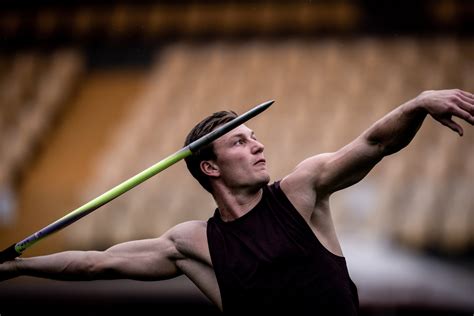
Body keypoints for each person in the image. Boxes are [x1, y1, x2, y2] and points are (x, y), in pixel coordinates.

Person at [1, 89, 473, 314]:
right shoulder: (193, 244)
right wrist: (18, 269)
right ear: (210, 167)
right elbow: (92, 264)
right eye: (240, 143)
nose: (258, 146)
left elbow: (374, 144)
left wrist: (416, 104)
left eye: (255, 137)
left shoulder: (300, 192)